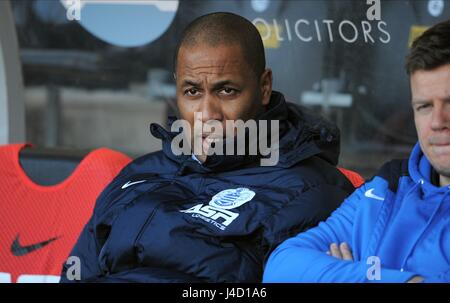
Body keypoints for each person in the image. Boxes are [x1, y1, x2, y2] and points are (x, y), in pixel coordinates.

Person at [60, 12, 355, 283]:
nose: (207, 114)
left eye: (227, 91)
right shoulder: (140, 173)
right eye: (192, 92)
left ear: (264, 87)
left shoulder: (314, 192)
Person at [263, 20, 450, 283]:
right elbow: (280, 267)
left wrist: (341, 275)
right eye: (424, 106)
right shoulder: (390, 185)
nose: (438, 121)